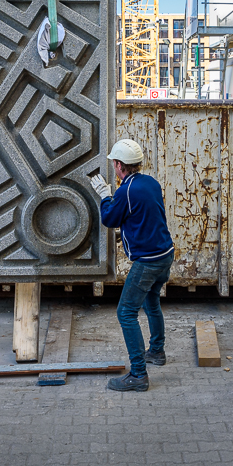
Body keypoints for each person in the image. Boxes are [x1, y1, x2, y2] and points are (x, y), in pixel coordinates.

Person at [90, 139, 175, 392]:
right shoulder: (150, 182)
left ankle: (138, 374)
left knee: (125, 313)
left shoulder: (125, 191)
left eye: (114, 164)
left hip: (148, 261)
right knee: (151, 302)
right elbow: (141, 215)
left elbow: (109, 219)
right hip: (165, 254)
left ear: (119, 165)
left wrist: (105, 196)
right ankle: (157, 352)